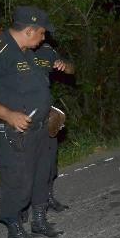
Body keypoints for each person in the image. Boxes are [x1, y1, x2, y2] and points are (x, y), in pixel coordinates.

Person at [0, 6, 64, 238]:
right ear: (29, 31)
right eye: (41, 33)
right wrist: (8, 114)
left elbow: (29, 87)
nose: (44, 38)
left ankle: (39, 221)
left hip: (40, 129)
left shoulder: (26, 49)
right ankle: (15, 232)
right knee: (18, 182)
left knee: (41, 176)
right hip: (14, 134)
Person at [33, 42, 75, 213]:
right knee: (25, 165)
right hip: (23, 115)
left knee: (49, 162)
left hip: (46, 113)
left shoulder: (46, 50)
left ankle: (48, 198)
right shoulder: (14, 49)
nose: (42, 35)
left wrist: (64, 66)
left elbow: (72, 69)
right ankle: (20, 209)